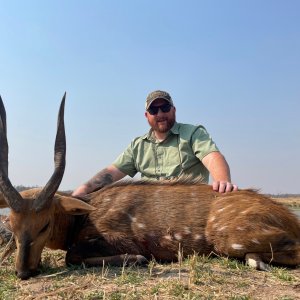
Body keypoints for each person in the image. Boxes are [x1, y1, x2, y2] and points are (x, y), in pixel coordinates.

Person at [72, 90, 238, 198]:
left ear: (174, 110)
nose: (160, 114)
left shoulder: (193, 133)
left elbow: (212, 157)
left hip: (189, 207)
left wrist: (222, 181)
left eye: (165, 108)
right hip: (151, 213)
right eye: (153, 110)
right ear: (146, 115)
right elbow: (111, 172)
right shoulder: (138, 146)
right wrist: (84, 188)